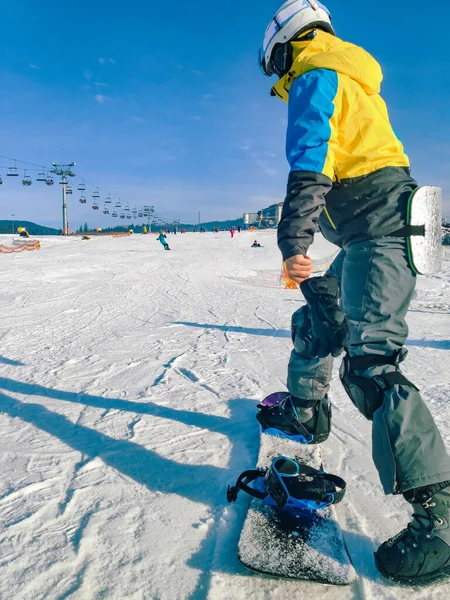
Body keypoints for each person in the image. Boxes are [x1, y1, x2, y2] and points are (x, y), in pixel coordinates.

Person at [256, 0, 450, 585]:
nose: (276, 79)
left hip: (382, 231)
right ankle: (308, 411)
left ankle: (440, 521)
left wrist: (294, 238)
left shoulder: (318, 73)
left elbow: (312, 158)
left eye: (274, 66)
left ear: (284, 44)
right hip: (372, 229)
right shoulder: (346, 73)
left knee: (371, 366)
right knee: (319, 314)